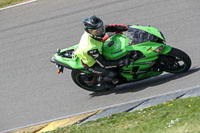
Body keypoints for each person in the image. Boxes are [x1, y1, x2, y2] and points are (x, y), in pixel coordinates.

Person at [75, 15, 129, 89]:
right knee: (113, 73)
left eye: (100, 28)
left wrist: (127, 27)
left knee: (115, 35)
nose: (99, 31)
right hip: (92, 63)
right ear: (89, 31)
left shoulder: (96, 31)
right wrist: (121, 62)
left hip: (99, 47)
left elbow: (110, 27)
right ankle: (105, 82)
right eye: (96, 31)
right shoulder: (91, 47)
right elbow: (103, 63)